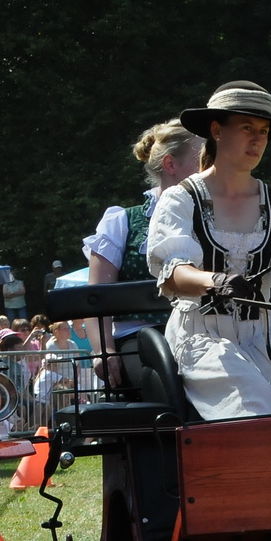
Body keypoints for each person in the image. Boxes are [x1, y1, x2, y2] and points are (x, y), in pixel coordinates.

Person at [147, 81, 271, 419]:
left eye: (263, 131)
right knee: (253, 404)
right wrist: (217, 281)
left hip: (265, 336)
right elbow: (173, 272)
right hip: (202, 335)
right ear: (217, 130)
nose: (258, 139)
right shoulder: (181, 199)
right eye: (247, 127)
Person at [83, 120, 204, 380]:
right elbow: (96, 298)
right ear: (171, 164)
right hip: (138, 340)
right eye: (202, 161)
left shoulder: (216, 221)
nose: (211, 169)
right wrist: (103, 351)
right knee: (166, 380)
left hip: (204, 335)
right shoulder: (121, 223)